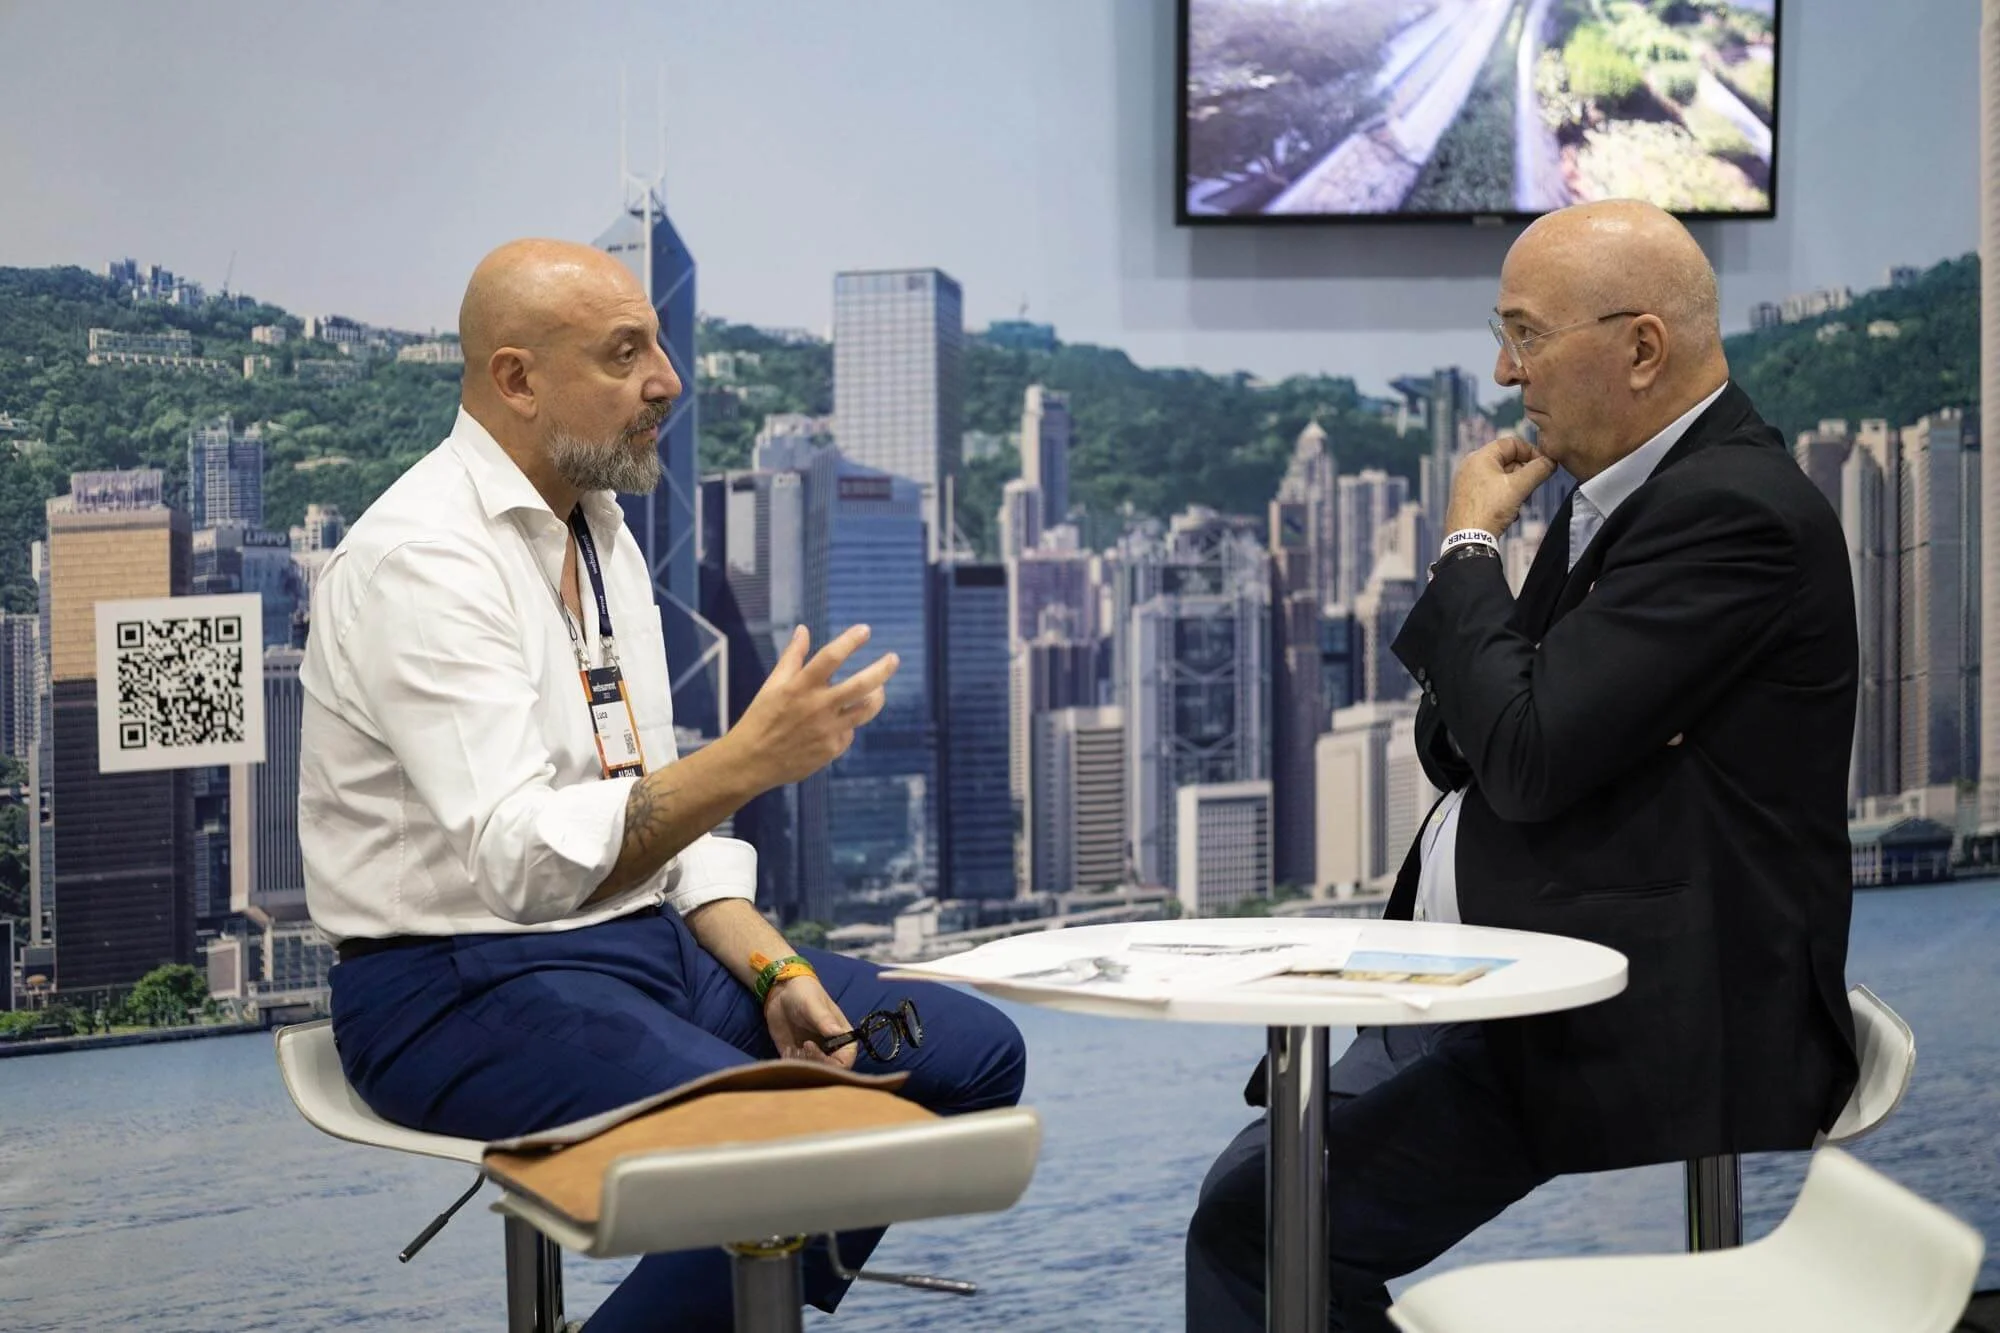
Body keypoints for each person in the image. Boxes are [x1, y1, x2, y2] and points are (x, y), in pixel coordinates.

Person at [298, 238, 1027, 1331]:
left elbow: (653, 815)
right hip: (454, 985)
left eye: (659, 343)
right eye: (624, 352)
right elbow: (521, 862)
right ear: (515, 379)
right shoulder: (422, 561)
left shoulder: (602, 534)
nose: (667, 379)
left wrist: (772, 964)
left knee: (970, 1059)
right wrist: (750, 757)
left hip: (643, 948)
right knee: (812, 1143)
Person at [1185, 200, 1860, 1332]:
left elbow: (1527, 755)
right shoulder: (1617, 498)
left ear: (1640, 348)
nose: (1504, 371)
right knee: (1254, 1200)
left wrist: (1465, 546)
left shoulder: (1730, 510)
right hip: (1503, 984)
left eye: (1526, 335)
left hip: (1622, 1015)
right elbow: (1459, 741)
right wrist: (1510, 686)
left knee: (1262, 1221)